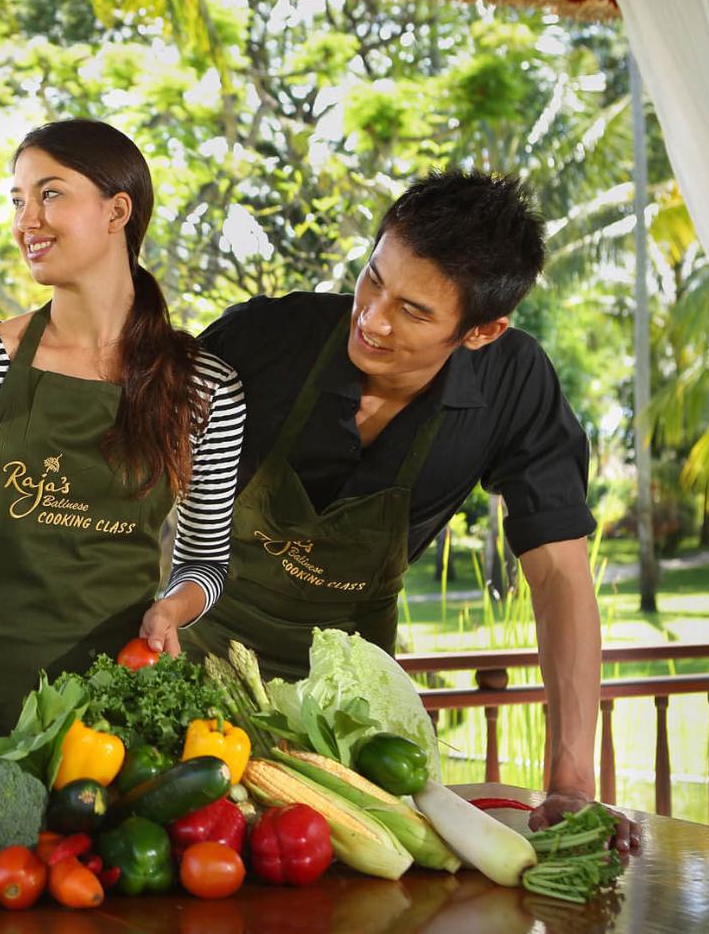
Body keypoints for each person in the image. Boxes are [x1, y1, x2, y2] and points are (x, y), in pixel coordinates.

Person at [181, 169, 634, 846]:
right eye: (373, 279)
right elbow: (124, 462)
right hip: (186, 681)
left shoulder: (514, 385)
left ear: (483, 330)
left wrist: (571, 783)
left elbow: (560, 575)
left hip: (344, 720)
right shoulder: (261, 339)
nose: (372, 318)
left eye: (414, 311)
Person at [0, 119, 245, 746]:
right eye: (17, 199)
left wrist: (171, 608)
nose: (26, 220)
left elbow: (205, 562)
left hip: (113, 716)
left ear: (118, 211)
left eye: (50, 193)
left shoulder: (204, 387)